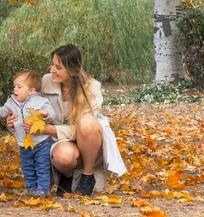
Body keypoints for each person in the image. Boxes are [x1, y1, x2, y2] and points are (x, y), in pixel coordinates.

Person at [8, 44, 127, 196]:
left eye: (58, 67)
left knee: (87, 122)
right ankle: (67, 176)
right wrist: (13, 121)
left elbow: (81, 127)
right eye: (52, 65)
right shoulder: (46, 81)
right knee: (63, 157)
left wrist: (52, 129)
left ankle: (87, 176)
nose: (52, 70)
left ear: (71, 70)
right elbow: (27, 106)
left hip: (89, 139)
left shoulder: (92, 87)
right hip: (60, 141)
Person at [0, 70, 56, 198]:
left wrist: (45, 113)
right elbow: (2, 112)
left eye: (19, 87)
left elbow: (52, 115)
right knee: (27, 167)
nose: (15, 89)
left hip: (41, 143)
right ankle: (31, 188)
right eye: (14, 86)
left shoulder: (41, 101)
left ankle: (43, 188)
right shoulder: (11, 102)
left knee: (42, 166)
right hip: (23, 144)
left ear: (31, 91)